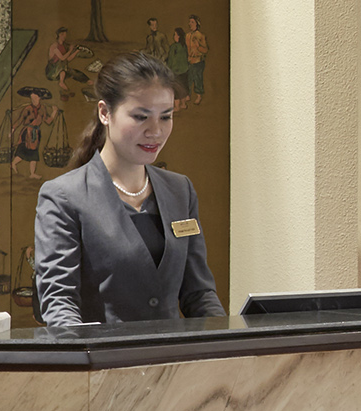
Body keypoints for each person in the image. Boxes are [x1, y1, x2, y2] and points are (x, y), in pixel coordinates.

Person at [31, 52, 224, 326]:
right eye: (141, 116)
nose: (155, 131)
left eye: (166, 116)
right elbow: (59, 302)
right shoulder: (64, 196)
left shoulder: (180, 190)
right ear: (104, 113)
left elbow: (199, 294)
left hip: (172, 364)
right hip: (104, 363)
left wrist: (226, 347)